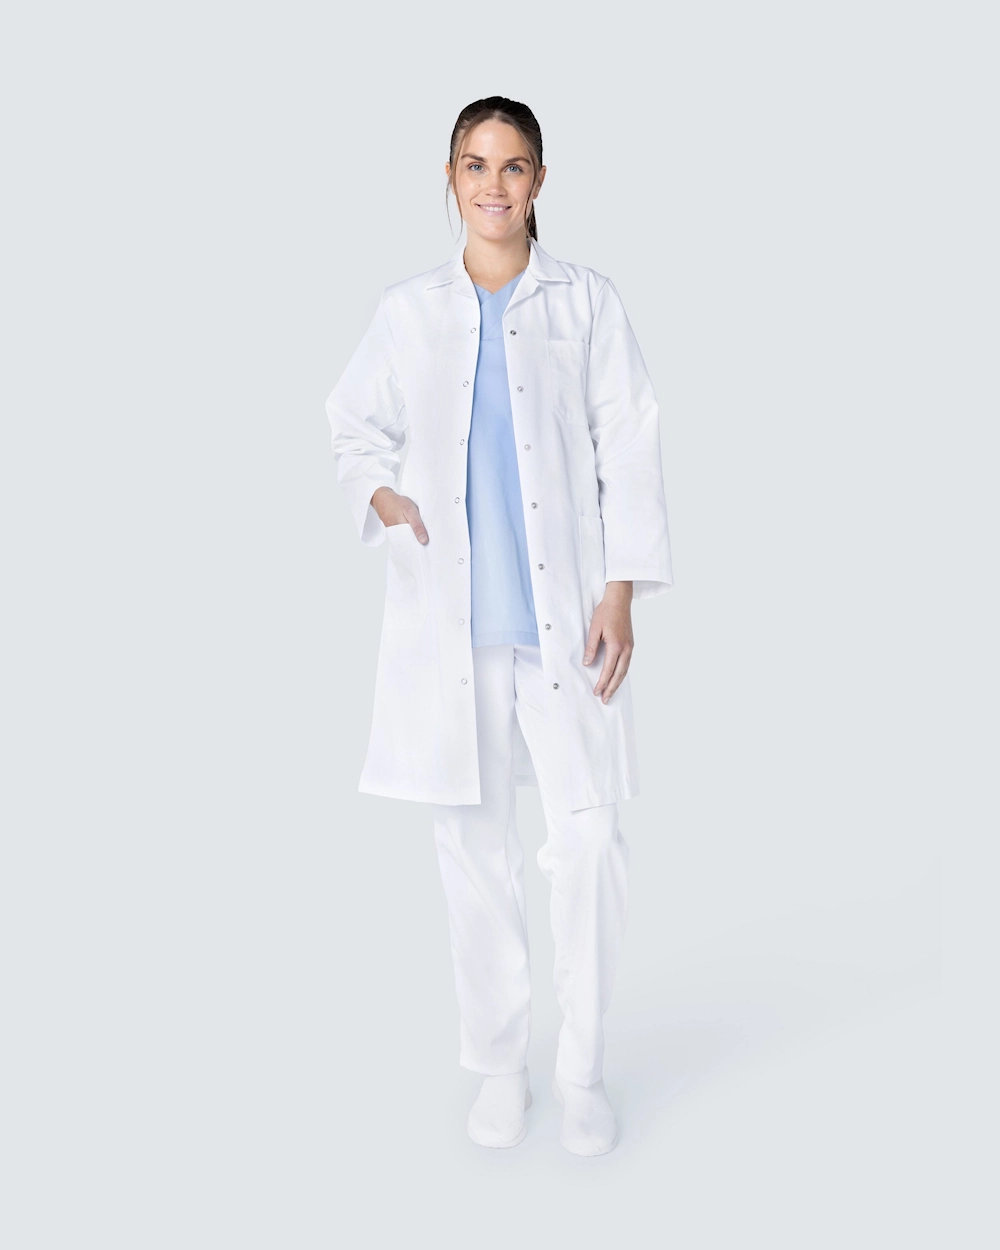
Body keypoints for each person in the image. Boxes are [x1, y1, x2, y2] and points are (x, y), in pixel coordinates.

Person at [325, 96, 673, 1156]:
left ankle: (582, 1069)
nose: (493, 184)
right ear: (449, 176)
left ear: (539, 181)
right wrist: (381, 494)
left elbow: (628, 438)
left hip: (567, 624)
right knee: (474, 853)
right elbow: (351, 425)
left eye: (512, 165)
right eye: (474, 164)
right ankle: (498, 1064)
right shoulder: (408, 311)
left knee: (590, 839)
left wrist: (621, 587)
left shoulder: (585, 304)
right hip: (454, 628)